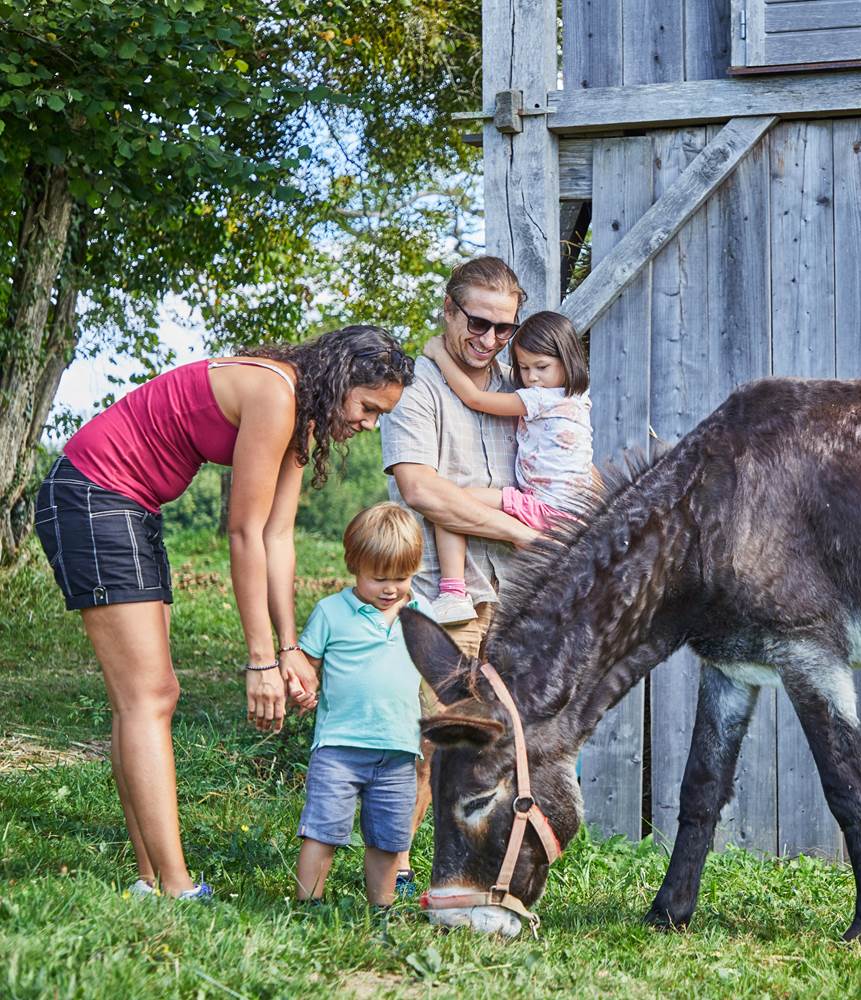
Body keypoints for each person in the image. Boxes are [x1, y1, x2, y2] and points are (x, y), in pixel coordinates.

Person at [33, 325, 414, 899]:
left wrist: (289, 650)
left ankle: (151, 878)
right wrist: (258, 661)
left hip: (131, 508)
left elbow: (277, 537)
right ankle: (176, 885)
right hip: (95, 496)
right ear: (340, 380)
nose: (368, 423)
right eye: (367, 407)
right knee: (149, 696)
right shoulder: (275, 394)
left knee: (141, 698)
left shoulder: (300, 416)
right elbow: (243, 533)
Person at [381, 256, 535, 893]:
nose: (491, 340)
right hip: (451, 606)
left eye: (505, 328)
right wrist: (525, 531)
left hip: (522, 599)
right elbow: (422, 489)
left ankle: (494, 869)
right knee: (430, 751)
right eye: (478, 322)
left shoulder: (522, 382)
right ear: (448, 310)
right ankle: (393, 876)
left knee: (513, 751)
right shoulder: (416, 387)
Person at [420, 310, 594, 624]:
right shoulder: (579, 400)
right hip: (571, 516)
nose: (532, 378)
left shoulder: (542, 399)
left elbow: (474, 398)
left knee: (450, 502)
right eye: (524, 368)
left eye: (542, 367)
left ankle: (453, 593)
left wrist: (438, 354)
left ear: (568, 362)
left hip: (543, 509)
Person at [293, 503, 426, 908]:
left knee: (388, 840)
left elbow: (440, 669)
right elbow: (308, 665)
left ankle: (380, 909)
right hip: (339, 747)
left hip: (399, 750)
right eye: (378, 578)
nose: (390, 589)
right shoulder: (331, 613)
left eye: (401, 578)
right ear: (354, 566)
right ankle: (308, 906)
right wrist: (302, 688)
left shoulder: (421, 613)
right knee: (324, 831)